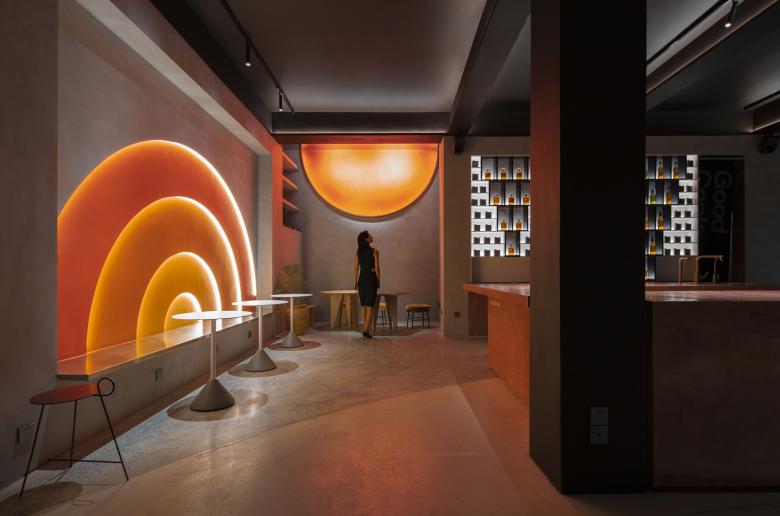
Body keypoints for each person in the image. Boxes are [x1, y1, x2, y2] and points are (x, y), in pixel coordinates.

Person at [354, 230, 380, 339]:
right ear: (366, 239)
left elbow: (356, 268)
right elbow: (377, 268)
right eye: (370, 236)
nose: (372, 236)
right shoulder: (375, 251)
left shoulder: (358, 251)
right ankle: (365, 330)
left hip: (361, 280)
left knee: (363, 306)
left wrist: (355, 281)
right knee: (370, 307)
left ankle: (366, 331)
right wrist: (378, 281)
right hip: (371, 279)